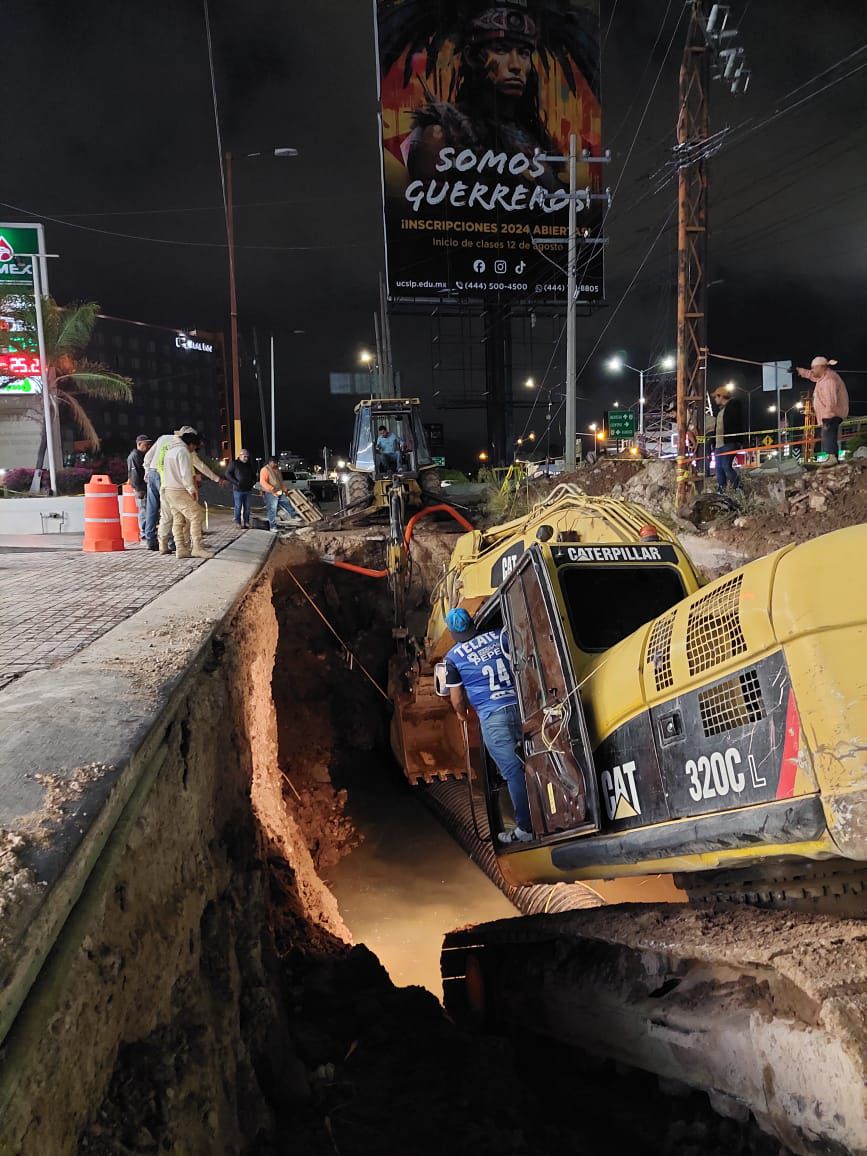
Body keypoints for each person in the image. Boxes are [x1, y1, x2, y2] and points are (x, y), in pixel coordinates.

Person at [443, 607, 532, 844]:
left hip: (494, 717)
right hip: (522, 708)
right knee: (536, 760)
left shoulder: (452, 658)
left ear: (452, 633)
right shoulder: (499, 636)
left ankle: (526, 828)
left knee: (513, 771)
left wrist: (462, 715)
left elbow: (457, 698)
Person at [143, 425, 225, 550]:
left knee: (152, 508)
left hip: (152, 473)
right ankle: (173, 542)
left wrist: (147, 470)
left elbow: (148, 457)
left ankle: (151, 540)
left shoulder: (163, 438)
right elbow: (196, 467)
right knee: (171, 510)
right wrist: (216, 479)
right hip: (165, 477)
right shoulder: (183, 448)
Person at [158, 431, 212, 559]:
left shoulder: (170, 451)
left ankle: (180, 548)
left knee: (178, 519)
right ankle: (197, 548)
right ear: (192, 444)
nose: (194, 450)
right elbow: (185, 473)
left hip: (168, 489)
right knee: (197, 514)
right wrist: (191, 489)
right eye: (195, 447)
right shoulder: (183, 452)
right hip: (179, 490)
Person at [796, 356, 850, 464]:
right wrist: (799, 371)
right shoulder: (823, 377)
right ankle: (832, 457)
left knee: (828, 433)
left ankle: (832, 458)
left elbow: (831, 400)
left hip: (831, 413)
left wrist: (827, 416)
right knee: (828, 434)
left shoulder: (829, 381)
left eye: (814, 368)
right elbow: (811, 375)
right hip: (830, 413)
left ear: (822, 367)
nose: (812, 370)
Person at [707, 388, 746, 493]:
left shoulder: (733, 406)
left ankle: (738, 488)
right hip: (719, 444)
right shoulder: (721, 411)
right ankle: (721, 489)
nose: (715, 399)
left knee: (726, 465)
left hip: (729, 442)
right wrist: (713, 442)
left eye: (716, 396)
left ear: (721, 396)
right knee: (718, 468)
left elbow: (734, 423)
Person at [259, 455, 300, 531]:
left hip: (278, 491)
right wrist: (271, 488)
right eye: (275, 463)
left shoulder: (277, 470)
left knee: (287, 502)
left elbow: (280, 481)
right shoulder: (265, 470)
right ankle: (272, 526)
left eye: (277, 463)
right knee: (272, 509)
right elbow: (263, 482)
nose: (276, 464)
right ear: (270, 462)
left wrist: (285, 489)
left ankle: (294, 516)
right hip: (270, 493)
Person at [126, 433, 152, 543]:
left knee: (146, 510)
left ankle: (146, 533)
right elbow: (135, 474)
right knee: (144, 511)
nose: (148, 447)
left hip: (144, 487)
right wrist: (138, 489)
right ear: (139, 444)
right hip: (141, 488)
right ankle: (144, 535)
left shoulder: (140, 455)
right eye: (146, 445)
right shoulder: (135, 456)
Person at [225, 448, 256, 528]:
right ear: (240, 455)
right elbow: (227, 474)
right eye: (245, 456)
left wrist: (253, 482)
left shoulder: (249, 465)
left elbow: (254, 475)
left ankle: (246, 522)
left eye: (247, 457)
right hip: (238, 490)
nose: (246, 458)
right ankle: (238, 522)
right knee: (238, 507)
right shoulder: (234, 464)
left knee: (247, 508)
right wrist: (236, 483)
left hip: (248, 490)